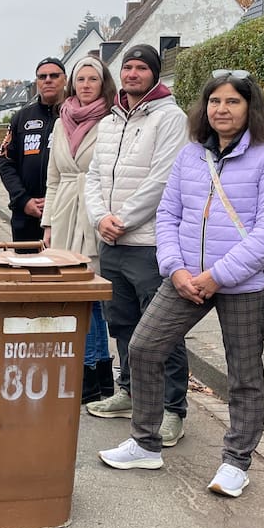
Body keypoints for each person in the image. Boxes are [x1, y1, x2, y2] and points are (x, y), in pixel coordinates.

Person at [97, 69, 264, 499]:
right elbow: (168, 215)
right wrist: (176, 269)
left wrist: (216, 276)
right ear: (203, 108)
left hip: (240, 283)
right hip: (185, 277)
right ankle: (146, 443)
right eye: (215, 102)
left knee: (243, 374)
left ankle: (235, 462)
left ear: (250, 108)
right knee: (144, 347)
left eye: (233, 102)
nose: (222, 110)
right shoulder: (190, 155)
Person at [83, 44, 191, 448]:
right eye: (127, 67)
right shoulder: (111, 119)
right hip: (112, 242)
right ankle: (129, 392)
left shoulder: (170, 118)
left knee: (162, 330)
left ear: (155, 74)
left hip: (148, 243)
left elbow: (163, 180)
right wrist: (100, 219)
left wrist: (122, 220)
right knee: (123, 323)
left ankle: (172, 409)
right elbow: (93, 176)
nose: (132, 74)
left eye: (141, 68)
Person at [40, 55, 116, 403]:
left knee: (87, 298)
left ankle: (91, 371)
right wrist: (48, 225)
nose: (86, 85)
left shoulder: (112, 121)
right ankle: (98, 372)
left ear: (103, 84)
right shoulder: (61, 121)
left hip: (92, 213)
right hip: (65, 213)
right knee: (77, 297)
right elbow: (53, 179)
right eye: (81, 79)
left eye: (93, 79)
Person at [0, 57, 66, 245]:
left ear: (65, 80)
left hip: (64, 214)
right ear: (37, 82)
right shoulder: (22, 118)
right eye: (42, 77)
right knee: (26, 272)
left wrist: (55, 201)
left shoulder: (75, 115)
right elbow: (5, 162)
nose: (48, 80)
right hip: (25, 216)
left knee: (60, 272)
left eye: (54, 75)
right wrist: (23, 200)